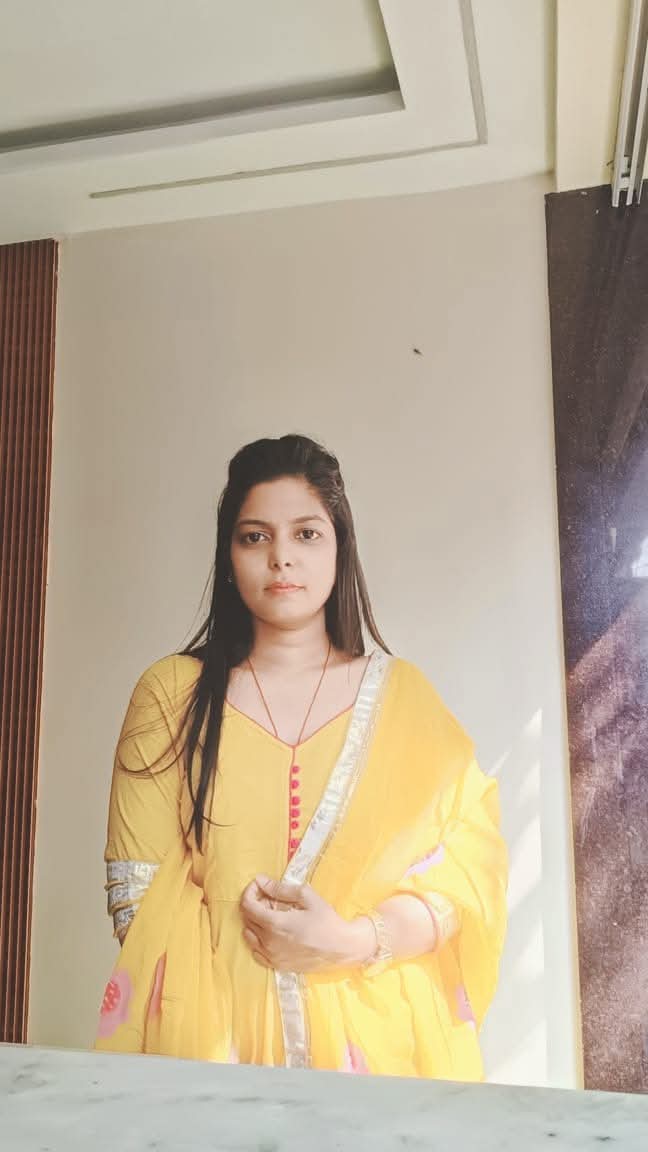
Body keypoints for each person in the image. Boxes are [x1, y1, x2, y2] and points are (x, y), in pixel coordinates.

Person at [95, 434, 507, 1079]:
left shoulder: (403, 699)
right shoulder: (170, 696)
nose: (281, 557)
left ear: (340, 548)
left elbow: (466, 871)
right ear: (228, 556)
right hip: (208, 1052)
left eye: (307, 534)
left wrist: (349, 942)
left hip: (374, 1059)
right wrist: (247, 999)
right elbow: (138, 904)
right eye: (255, 536)